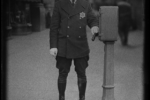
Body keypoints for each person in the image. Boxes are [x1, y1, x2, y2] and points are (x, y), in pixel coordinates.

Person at [49, 0, 99, 100]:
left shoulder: (85, 3)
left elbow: (92, 19)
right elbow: (54, 26)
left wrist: (94, 26)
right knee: (62, 74)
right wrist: (53, 46)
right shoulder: (59, 3)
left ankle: (82, 97)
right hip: (64, 44)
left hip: (80, 44)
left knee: (82, 74)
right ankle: (61, 97)